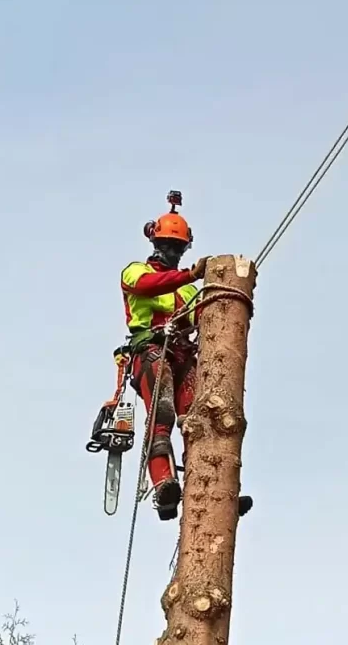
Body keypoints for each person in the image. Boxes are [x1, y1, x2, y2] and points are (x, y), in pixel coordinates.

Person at [121, 192, 252, 521]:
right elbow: (149, 286)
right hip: (152, 351)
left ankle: (217, 492)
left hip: (183, 355)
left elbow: (204, 319)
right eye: (168, 245)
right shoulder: (135, 272)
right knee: (162, 412)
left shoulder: (190, 291)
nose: (172, 253)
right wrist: (190, 275)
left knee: (203, 420)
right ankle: (164, 484)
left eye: (177, 248)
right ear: (155, 243)